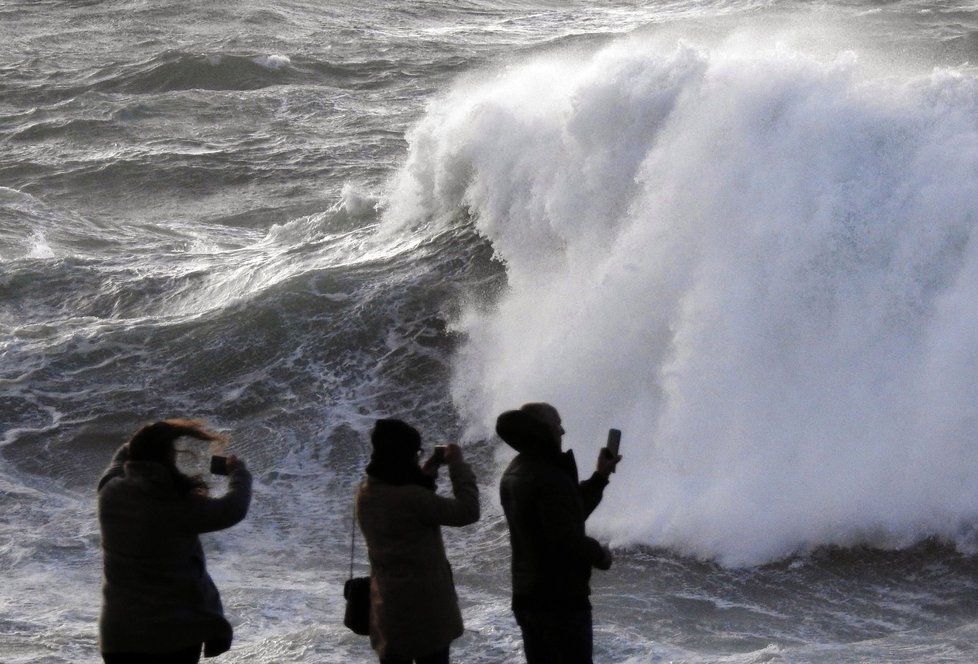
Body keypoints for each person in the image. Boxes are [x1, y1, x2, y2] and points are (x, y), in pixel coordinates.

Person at [96, 419, 252, 664]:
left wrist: (144, 439)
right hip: (171, 639)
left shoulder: (110, 492)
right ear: (167, 460)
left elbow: (119, 460)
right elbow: (232, 509)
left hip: (118, 637)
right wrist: (238, 473)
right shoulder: (177, 505)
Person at [497, 403, 621, 664]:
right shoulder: (548, 475)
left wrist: (600, 476)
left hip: (528, 595)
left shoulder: (517, 470)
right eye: (556, 424)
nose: (563, 430)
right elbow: (566, 540)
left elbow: (566, 513)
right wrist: (601, 555)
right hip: (560, 601)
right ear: (541, 429)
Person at [355, 418, 480, 664]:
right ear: (406, 454)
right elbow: (467, 511)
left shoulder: (365, 492)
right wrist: (457, 466)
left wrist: (424, 480)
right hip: (424, 610)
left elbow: (402, 512)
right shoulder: (413, 498)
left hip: (386, 605)